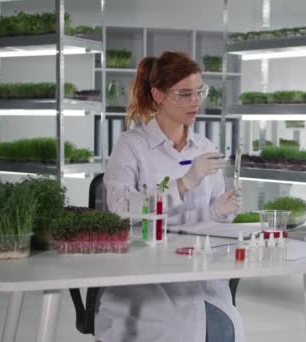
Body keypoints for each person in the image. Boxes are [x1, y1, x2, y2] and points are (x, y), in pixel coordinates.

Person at [95, 51, 244, 342]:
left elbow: (204, 218)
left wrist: (220, 211)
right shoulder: (132, 146)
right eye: (185, 94)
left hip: (197, 270)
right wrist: (183, 183)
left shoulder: (204, 146)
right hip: (144, 275)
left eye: (199, 91)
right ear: (159, 95)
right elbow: (119, 206)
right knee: (179, 330)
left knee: (224, 326)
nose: (196, 101)